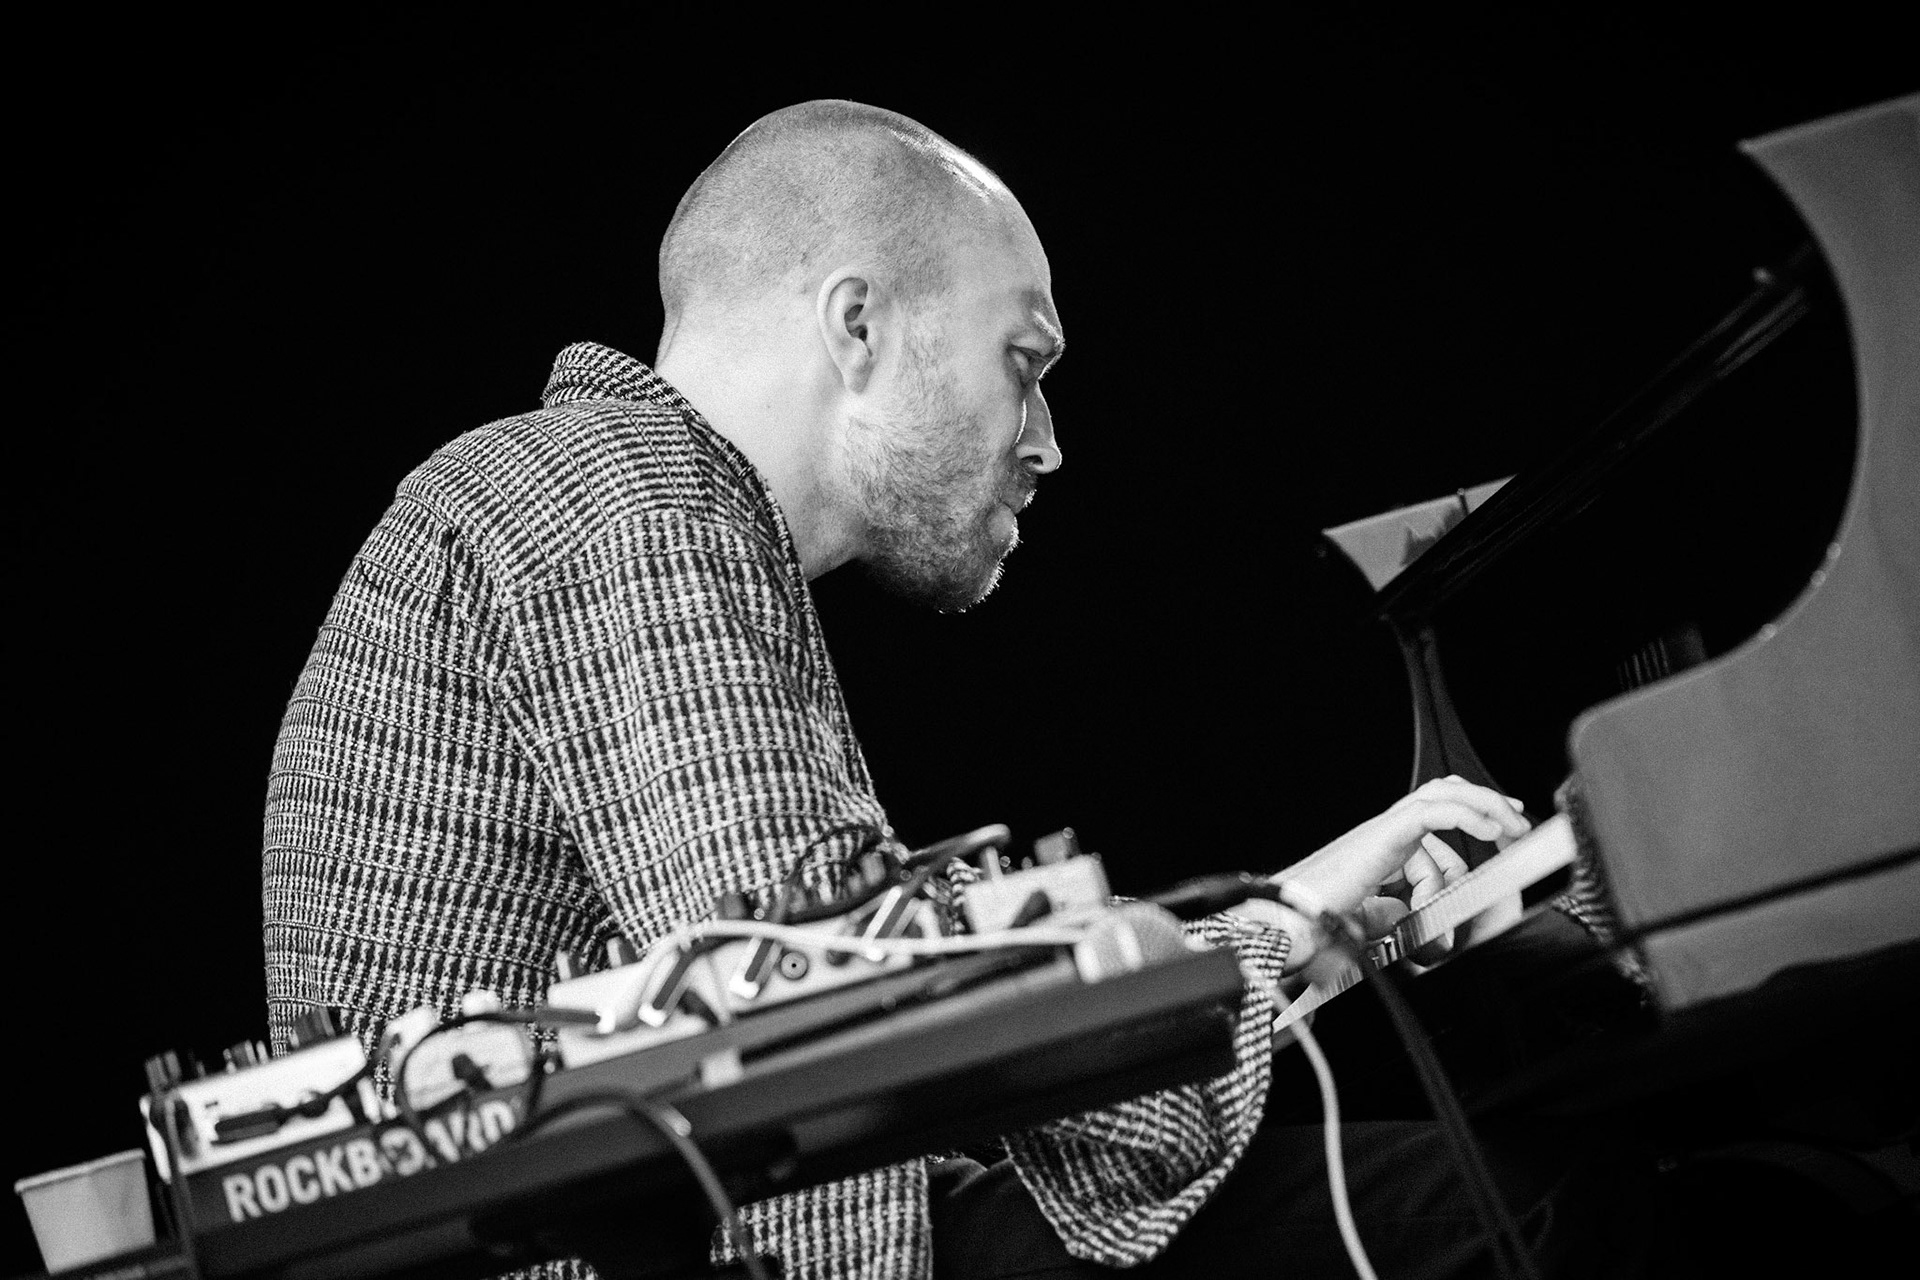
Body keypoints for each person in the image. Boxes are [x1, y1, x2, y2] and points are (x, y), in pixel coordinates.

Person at [263, 100, 1629, 1280]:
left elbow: (832, 979)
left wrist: (1286, 927)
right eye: (1023, 363)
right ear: (858, 324)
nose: (1047, 442)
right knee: (1519, 1210)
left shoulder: (608, 502)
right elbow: (839, 1001)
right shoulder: (625, 501)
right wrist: (1275, 931)